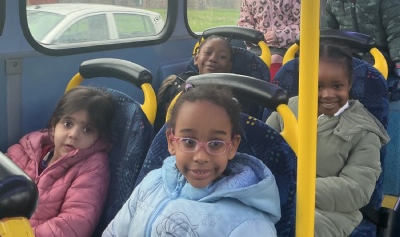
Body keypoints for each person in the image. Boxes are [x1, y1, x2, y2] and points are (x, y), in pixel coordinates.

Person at [103, 85, 281, 237]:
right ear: (171, 142)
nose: (200, 157)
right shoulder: (152, 182)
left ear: (232, 146)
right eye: (189, 142)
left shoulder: (249, 223)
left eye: (216, 144)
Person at [266, 44, 389, 237]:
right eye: (318, 86)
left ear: (349, 84)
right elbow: (262, 150)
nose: (327, 94)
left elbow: (357, 190)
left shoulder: (364, 131)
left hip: (333, 213)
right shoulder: (286, 110)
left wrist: (295, 189)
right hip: (275, 199)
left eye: (337, 86)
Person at [6, 86, 116, 237]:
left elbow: (74, 223)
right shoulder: (27, 149)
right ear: (54, 125)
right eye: (68, 124)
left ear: (98, 136)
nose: (73, 135)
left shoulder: (93, 167)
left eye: (87, 130)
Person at [154, 35, 233, 133]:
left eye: (222, 57)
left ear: (229, 66)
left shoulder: (231, 96)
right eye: (207, 53)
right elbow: (159, 125)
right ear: (196, 58)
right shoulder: (177, 85)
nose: (213, 59)